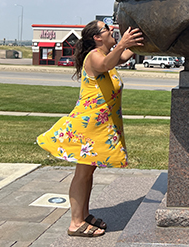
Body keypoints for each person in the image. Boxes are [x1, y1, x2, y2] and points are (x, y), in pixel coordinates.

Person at [36, 20, 143, 237]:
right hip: (88, 126)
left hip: (99, 126)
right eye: (106, 28)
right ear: (97, 37)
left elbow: (123, 55)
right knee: (82, 173)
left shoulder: (108, 55)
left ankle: (83, 215)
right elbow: (105, 64)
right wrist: (122, 43)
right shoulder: (95, 56)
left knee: (88, 172)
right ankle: (75, 223)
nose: (111, 29)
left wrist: (146, 37)